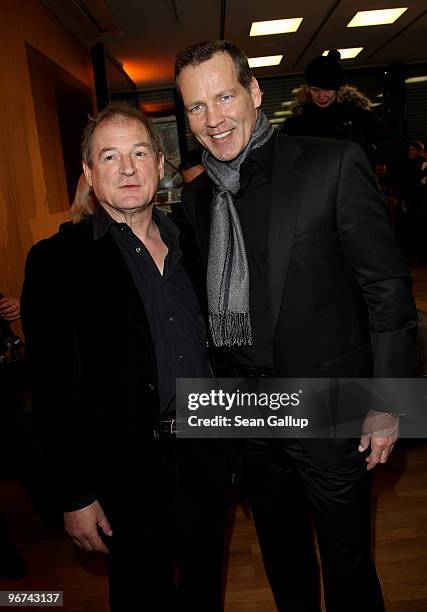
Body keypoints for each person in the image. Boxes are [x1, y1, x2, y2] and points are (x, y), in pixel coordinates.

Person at [175, 40, 417, 612]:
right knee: (284, 561)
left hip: (333, 404)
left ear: (255, 93)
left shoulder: (331, 164)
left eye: (225, 96)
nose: (214, 119)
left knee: (348, 562)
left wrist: (390, 401)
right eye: (196, 107)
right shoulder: (196, 197)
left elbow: (386, 289)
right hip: (250, 416)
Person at [21, 102, 228, 611]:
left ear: (161, 163)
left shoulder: (195, 243)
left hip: (205, 458)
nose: (128, 168)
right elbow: (52, 392)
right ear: (90, 173)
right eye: (109, 157)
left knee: (206, 590)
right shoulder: (57, 263)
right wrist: (74, 494)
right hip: (124, 479)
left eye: (139, 153)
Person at [282, 50, 403, 175]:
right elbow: (282, 157)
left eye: (328, 90)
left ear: (338, 89)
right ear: (308, 89)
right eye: (315, 90)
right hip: (315, 189)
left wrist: (363, 155)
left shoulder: (357, 115)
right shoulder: (296, 123)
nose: (321, 96)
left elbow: (394, 143)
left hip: (353, 186)